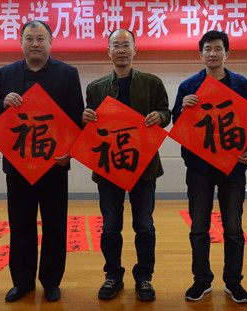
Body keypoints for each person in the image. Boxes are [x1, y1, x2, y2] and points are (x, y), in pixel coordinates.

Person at [0, 20, 83, 303]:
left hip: (54, 164)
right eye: (29, 39)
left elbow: (76, 115)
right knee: (20, 225)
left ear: (51, 42)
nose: (35, 44)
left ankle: (51, 282)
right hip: (18, 164)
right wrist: (3, 103)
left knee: (55, 225)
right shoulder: (6, 73)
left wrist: (70, 152)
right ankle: (23, 282)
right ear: (21, 43)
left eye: (41, 38)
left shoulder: (67, 73)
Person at [172, 31, 247, 304]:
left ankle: (234, 282)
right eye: (208, 49)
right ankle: (201, 280)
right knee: (199, 226)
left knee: (233, 227)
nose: (213, 53)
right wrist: (182, 109)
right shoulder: (188, 86)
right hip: (199, 168)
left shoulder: (242, 85)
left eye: (218, 49)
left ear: (227, 53)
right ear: (200, 54)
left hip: (232, 167)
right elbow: (177, 124)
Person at [83, 28, 170, 302]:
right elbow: (90, 127)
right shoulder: (95, 88)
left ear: (135, 49)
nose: (121, 50)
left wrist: (160, 116)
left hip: (144, 167)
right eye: (116, 45)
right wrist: (84, 117)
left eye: (126, 45)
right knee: (110, 227)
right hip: (109, 168)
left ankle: (144, 278)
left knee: (144, 226)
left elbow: (167, 112)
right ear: (108, 51)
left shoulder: (152, 82)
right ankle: (113, 275)